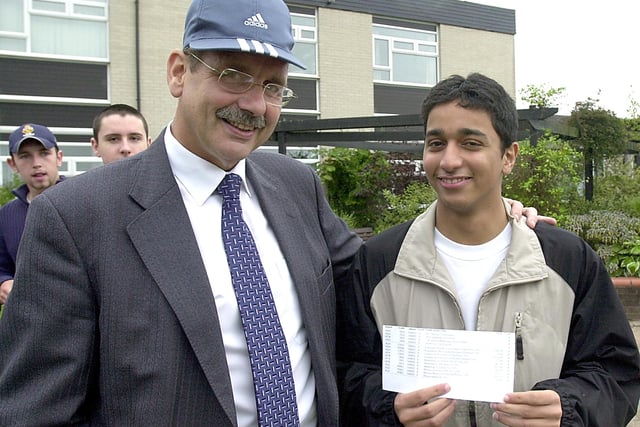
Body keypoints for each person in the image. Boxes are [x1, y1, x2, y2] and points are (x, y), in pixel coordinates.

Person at [0, 2, 542, 425]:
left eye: (274, 85)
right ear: (177, 73)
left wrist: (485, 223)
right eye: (233, 74)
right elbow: (36, 410)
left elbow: (376, 277)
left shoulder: (294, 184)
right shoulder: (75, 219)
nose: (255, 104)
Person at [336, 73, 640, 426]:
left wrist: (569, 407)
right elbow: (345, 373)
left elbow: (615, 373)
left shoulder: (567, 260)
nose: (449, 160)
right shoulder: (380, 262)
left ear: (508, 156)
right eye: (436, 143)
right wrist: (387, 408)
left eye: (470, 143)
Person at [0, 123, 63, 307]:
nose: (36, 163)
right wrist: (4, 281)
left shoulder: (84, 203)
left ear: (59, 157)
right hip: (30, 322)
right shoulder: (6, 216)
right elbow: (2, 265)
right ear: (12, 164)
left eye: (44, 153)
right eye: (25, 156)